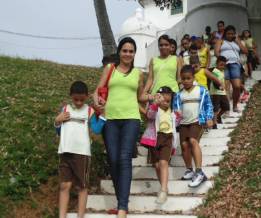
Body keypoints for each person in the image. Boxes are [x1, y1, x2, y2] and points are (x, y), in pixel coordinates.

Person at [94, 37, 144, 218]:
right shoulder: (110, 69)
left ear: (134, 54)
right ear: (119, 52)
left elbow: (141, 96)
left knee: (124, 158)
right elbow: (97, 90)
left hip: (131, 118)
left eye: (131, 51)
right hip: (110, 119)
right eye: (125, 50)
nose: (128, 54)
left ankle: (122, 206)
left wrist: (155, 99)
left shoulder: (138, 73)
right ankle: (121, 200)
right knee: (113, 160)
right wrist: (97, 102)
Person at [55, 81, 106, 218]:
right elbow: (60, 132)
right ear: (70, 95)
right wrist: (57, 121)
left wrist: (102, 115)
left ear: (87, 97)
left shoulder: (89, 110)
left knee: (82, 186)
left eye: (81, 99)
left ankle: (80, 215)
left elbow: (95, 129)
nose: (78, 102)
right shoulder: (65, 109)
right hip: (65, 151)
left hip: (82, 153)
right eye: (75, 99)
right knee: (64, 186)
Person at [141, 86, 180, 204]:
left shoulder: (173, 112)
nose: (166, 103)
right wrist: (155, 104)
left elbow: (176, 124)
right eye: (163, 100)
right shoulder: (155, 109)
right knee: (157, 165)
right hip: (155, 139)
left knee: (163, 163)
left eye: (168, 101)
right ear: (158, 98)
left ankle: (163, 190)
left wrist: (179, 117)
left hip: (167, 138)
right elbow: (149, 115)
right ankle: (164, 186)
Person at [175, 65, 213, 187]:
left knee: (192, 141)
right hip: (183, 123)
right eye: (183, 78)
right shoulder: (179, 94)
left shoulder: (201, 90)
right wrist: (177, 112)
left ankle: (199, 172)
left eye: (188, 78)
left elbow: (208, 104)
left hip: (197, 121)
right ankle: (189, 170)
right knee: (184, 145)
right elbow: (176, 107)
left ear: (193, 78)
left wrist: (209, 118)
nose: (186, 81)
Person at [215, 25, 248, 112]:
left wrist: (238, 41)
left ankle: (235, 105)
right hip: (224, 65)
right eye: (228, 33)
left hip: (235, 64)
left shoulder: (237, 42)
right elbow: (216, 52)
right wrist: (222, 61)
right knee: (225, 88)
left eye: (232, 34)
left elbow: (245, 51)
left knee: (237, 86)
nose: (230, 35)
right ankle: (225, 108)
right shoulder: (220, 41)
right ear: (225, 34)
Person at [143, 34, 182, 100]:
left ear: (170, 46)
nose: (163, 47)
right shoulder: (153, 60)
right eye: (161, 45)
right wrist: (144, 92)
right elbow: (150, 79)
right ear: (158, 46)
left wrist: (183, 93)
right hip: (156, 95)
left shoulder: (176, 59)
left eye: (166, 45)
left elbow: (179, 79)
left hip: (173, 94)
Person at [209, 56, 230, 129]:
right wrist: (219, 87)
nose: (222, 66)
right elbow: (215, 81)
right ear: (216, 63)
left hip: (222, 92)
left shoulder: (223, 71)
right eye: (221, 64)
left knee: (226, 107)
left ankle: (218, 116)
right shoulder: (214, 71)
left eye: (224, 65)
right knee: (216, 108)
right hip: (215, 92)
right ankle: (214, 123)